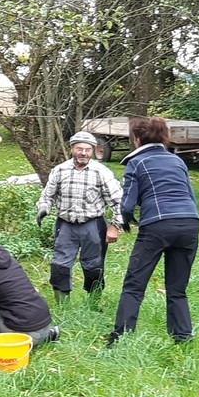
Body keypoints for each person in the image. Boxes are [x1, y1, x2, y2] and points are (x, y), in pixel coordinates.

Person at [108, 116, 199, 345]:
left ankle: (120, 338)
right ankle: (182, 337)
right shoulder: (177, 161)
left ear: (137, 139)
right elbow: (190, 195)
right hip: (190, 222)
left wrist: (127, 221)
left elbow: (127, 203)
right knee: (177, 288)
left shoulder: (136, 163)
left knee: (134, 285)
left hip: (157, 225)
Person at [36, 130, 123, 305]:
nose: (83, 153)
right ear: (72, 149)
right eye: (79, 149)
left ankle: (93, 304)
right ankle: (62, 306)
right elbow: (47, 196)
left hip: (93, 225)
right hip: (65, 225)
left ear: (92, 150)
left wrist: (115, 225)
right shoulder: (59, 171)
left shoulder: (101, 172)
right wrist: (43, 209)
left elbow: (119, 201)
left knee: (93, 266)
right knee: (59, 266)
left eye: (87, 150)